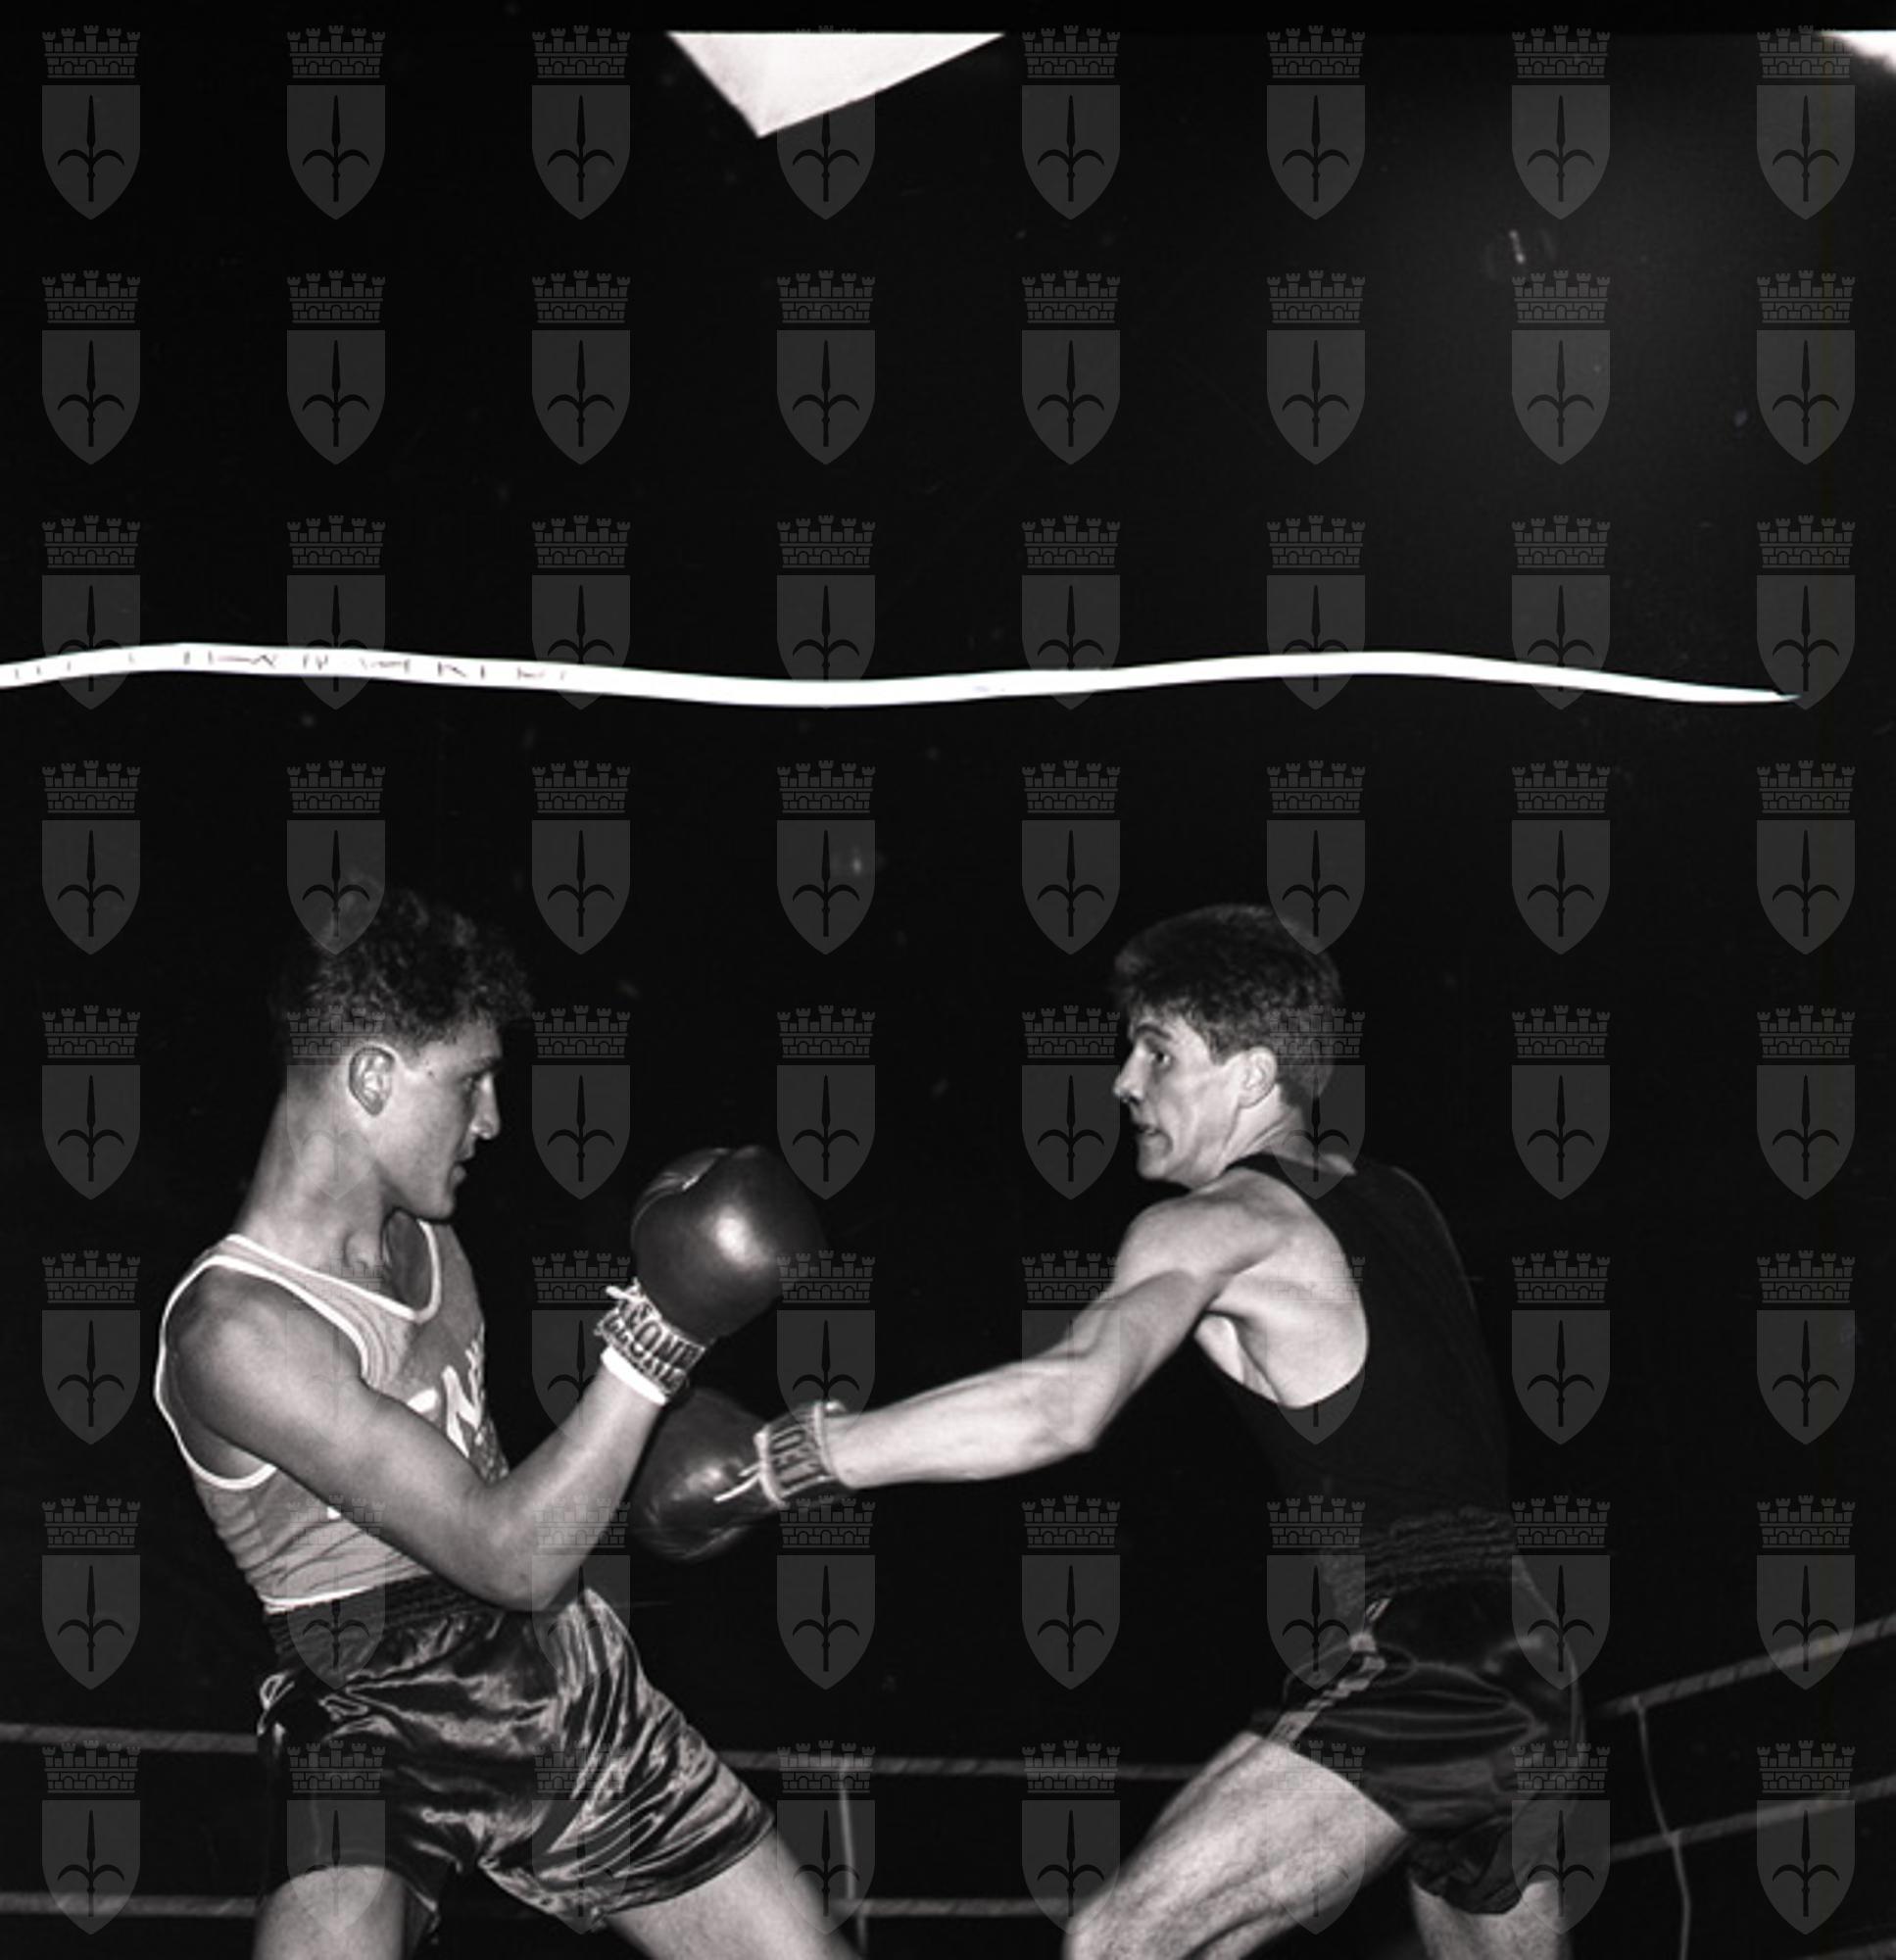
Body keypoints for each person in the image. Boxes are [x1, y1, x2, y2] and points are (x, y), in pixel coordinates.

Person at [637, 904, 1583, 1959]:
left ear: (1252, 1074)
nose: (1125, 1082)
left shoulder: (1215, 1223)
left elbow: (1064, 1401)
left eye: (1157, 1050)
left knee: (1116, 1942)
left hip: (1432, 1664)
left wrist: (788, 1460)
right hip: (1529, 1654)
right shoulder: (1400, 1201)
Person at [154, 889, 851, 1959]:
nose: (492, 1119)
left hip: (563, 1675)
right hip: (373, 1715)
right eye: (470, 1080)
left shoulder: (429, 1241)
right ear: (372, 1078)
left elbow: (487, 1492)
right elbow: (505, 1552)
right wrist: (659, 1334)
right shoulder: (235, 1332)